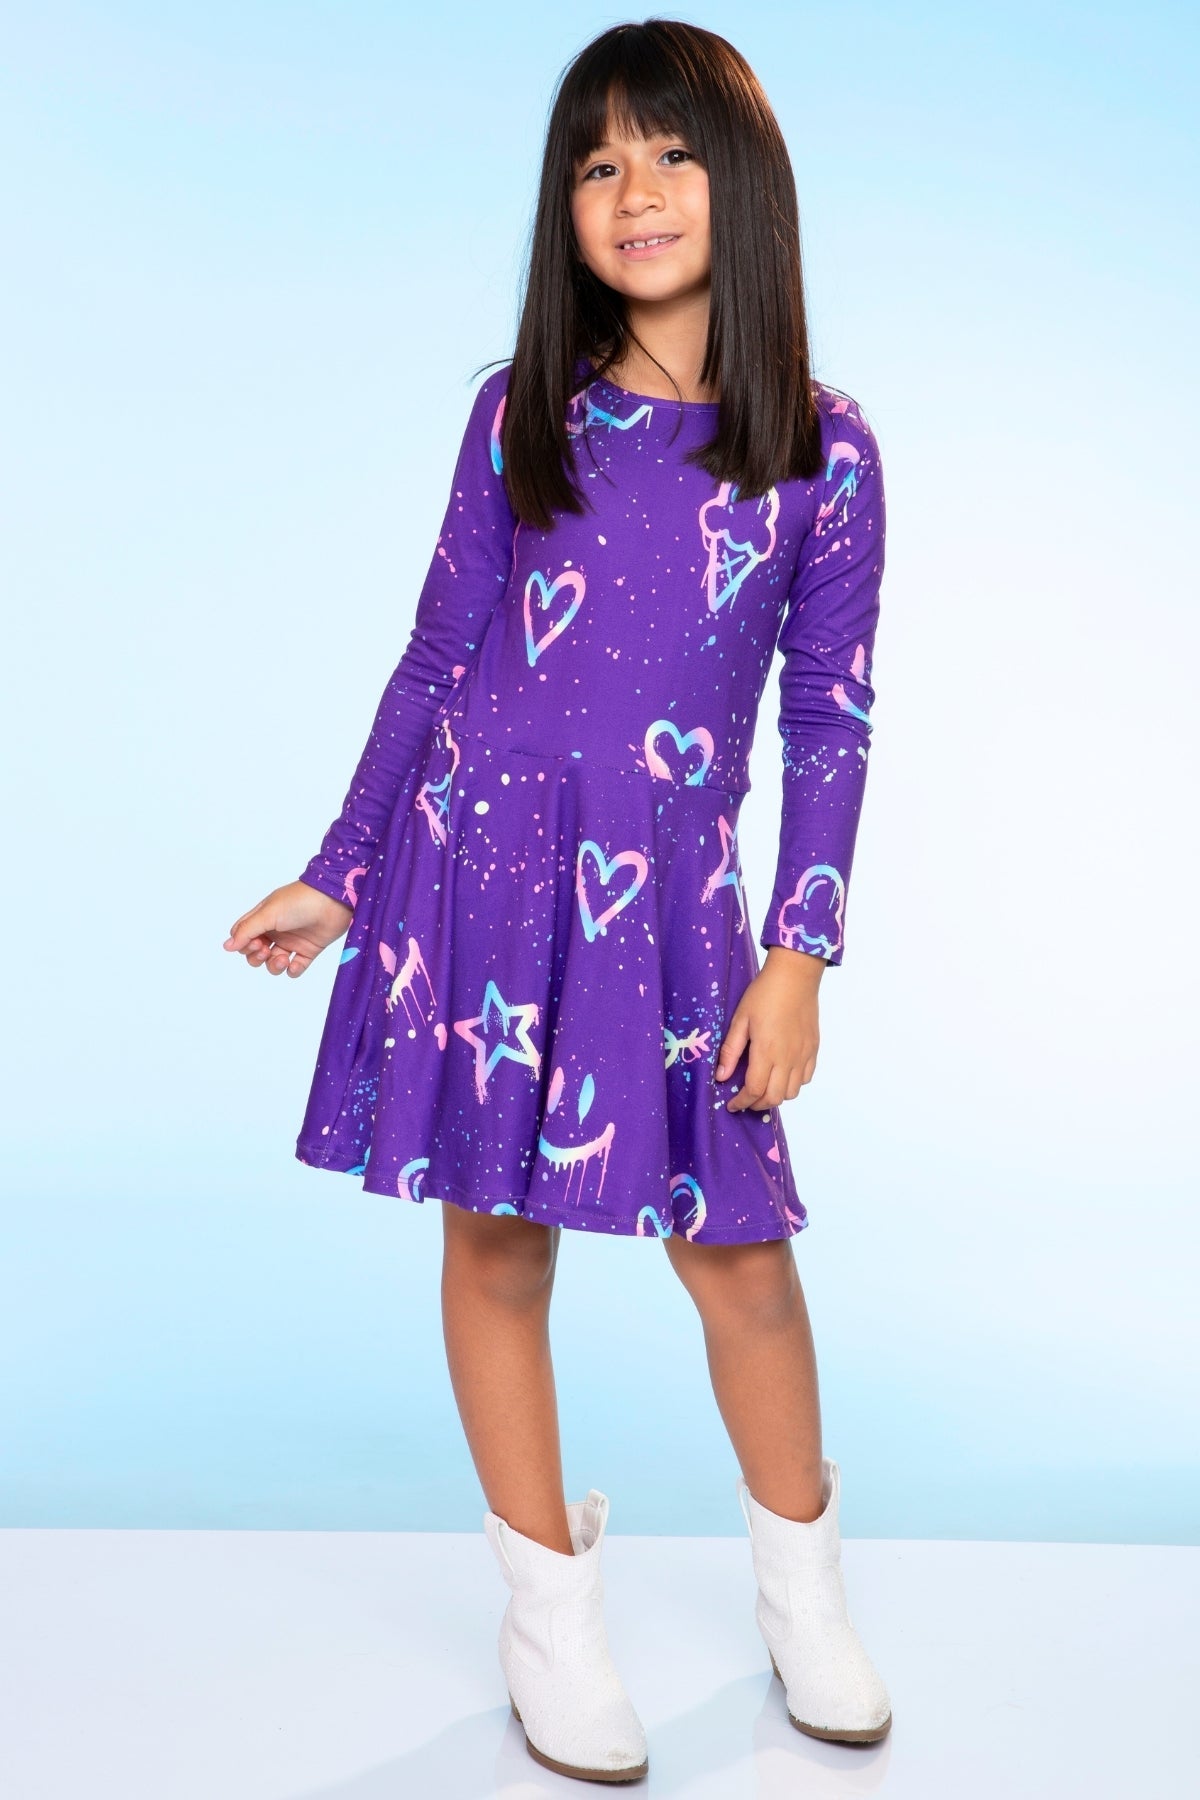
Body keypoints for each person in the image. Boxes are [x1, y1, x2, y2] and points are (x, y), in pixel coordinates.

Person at [224, 17, 892, 1783]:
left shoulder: (824, 452)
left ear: (743, 186)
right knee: (495, 1242)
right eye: (598, 162)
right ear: (564, 208)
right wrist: (344, 870)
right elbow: (437, 652)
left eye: (669, 153)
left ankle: (805, 1594)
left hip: (675, 908)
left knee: (740, 1261)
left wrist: (801, 952)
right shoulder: (521, 414)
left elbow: (830, 714)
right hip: (482, 878)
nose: (635, 189)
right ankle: (549, 1618)